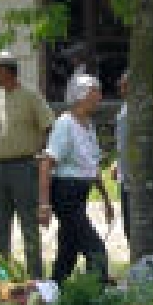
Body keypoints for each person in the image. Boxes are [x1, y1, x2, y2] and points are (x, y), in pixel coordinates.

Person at [0, 50, 54, 278]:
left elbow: (49, 127)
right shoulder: (0, 97)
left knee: (29, 225)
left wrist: (42, 158)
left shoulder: (30, 95)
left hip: (25, 166)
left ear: (5, 70)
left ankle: (35, 278)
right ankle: (3, 277)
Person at [38, 74, 114, 284]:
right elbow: (47, 162)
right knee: (95, 249)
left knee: (68, 249)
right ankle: (95, 296)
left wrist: (107, 200)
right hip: (65, 194)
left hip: (80, 193)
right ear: (81, 95)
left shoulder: (88, 125)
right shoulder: (65, 124)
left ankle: (55, 288)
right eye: (95, 91)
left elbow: (92, 165)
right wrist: (44, 204)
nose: (99, 96)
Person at [113, 71, 133, 244]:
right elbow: (123, 144)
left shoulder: (133, 111)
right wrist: (117, 163)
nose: (120, 88)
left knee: (132, 222)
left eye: (124, 85)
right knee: (128, 222)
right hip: (125, 173)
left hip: (133, 175)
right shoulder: (125, 108)